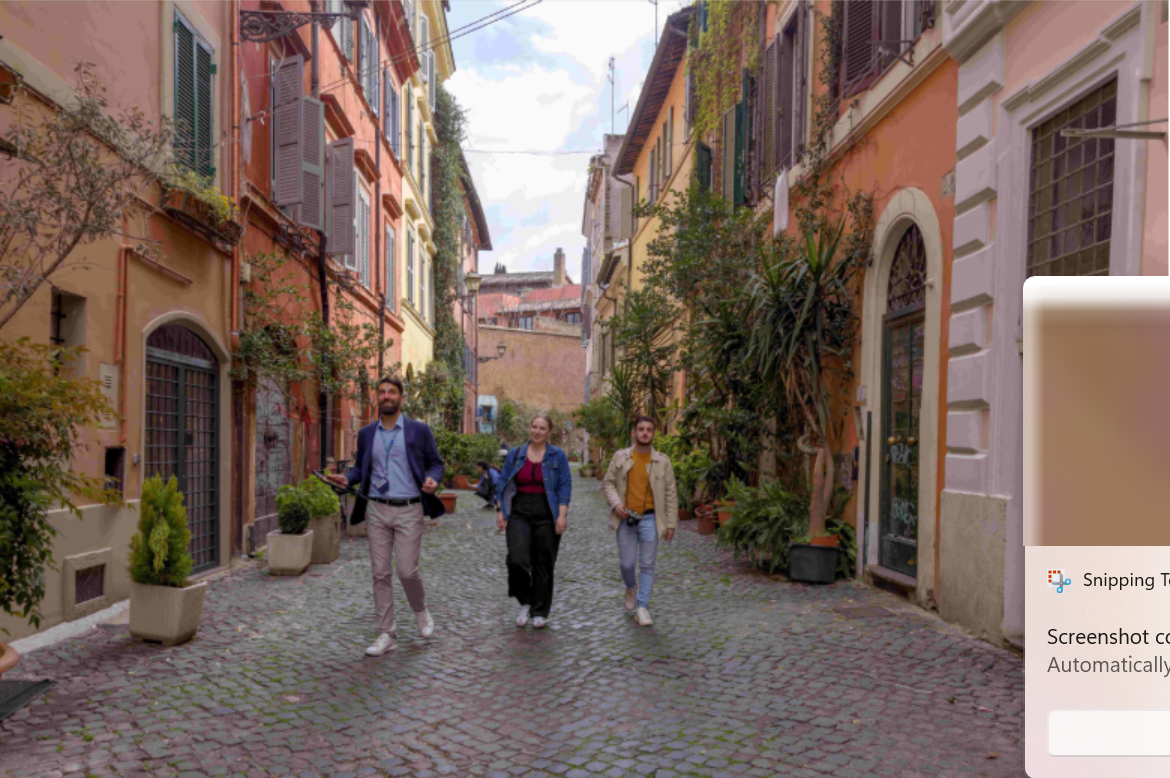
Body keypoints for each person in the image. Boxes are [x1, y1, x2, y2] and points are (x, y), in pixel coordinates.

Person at [327, 376, 445, 657]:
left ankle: (420, 611)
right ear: (376, 398)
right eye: (381, 392)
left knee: (406, 570)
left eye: (391, 392)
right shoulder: (368, 433)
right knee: (380, 573)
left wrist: (432, 479)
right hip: (376, 508)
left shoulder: (419, 430)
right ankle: (386, 633)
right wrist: (347, 478)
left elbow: (436, 463)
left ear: (401, 398)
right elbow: (361, 469)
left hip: (409, 509)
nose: (386, 396)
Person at [495, 415, 571, 629]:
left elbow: (564, 487)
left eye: (542, 428)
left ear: (549, 433)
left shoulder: (558, 456)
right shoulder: (516, 454)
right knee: (517, 559)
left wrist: (562, 516)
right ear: (530, 429)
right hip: (519, 510)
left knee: (544, 562)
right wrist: (501, 510)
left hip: (548, 511)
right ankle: (526, 600)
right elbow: (502, 482)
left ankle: (539, 611)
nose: (537, 431)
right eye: (534, 427)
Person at [602, 415, 678, 627]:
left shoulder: (663, 462)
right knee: (627, 563)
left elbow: (671, 493)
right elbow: (608, 483)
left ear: (654, 434)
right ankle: (630, 586)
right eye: (641, 429)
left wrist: (671, 523)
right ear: (633, 433)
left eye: (649, 430)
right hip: (625, 518)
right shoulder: (620, 457)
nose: (645, 433)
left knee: (647, 564)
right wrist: (616, 504)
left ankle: (642, 607)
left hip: (651, 519)